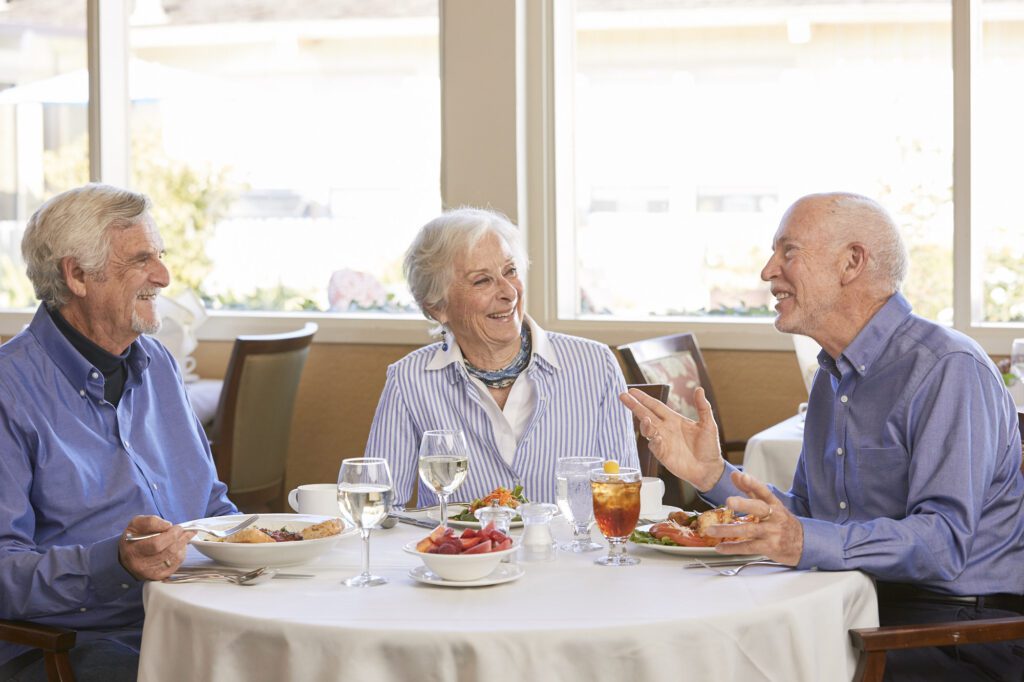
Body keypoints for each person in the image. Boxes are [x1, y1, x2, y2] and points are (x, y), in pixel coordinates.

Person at [620, 192, 1024, 680]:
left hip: (958, 630)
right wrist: (713, 474)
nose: (768, 271)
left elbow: (941, 544)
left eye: (788, 251)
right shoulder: (832, 378)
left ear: (852, 262)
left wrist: (800, 541)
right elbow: (812, 515)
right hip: (857, 605)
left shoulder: (947, 369)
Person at [0, 184, 237, 682]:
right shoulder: (9, 391)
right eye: (141, 260)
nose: (164, 277)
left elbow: (210, 505)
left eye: (161, 256)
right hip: (74, 648)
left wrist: (262, 542)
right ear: (77, 275)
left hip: (192, 620)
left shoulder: (159, 364)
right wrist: (115, 562)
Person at [365, 207, 638, 507]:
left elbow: (623, 499)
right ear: (437, 307)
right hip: (463, 554)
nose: (509, 291)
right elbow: (380, 509)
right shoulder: (410, 380)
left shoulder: (595, 366)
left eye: (510, 271)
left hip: (570, 553)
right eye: (482, 280)